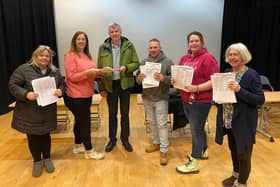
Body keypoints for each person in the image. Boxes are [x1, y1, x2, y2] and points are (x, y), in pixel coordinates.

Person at [9, 45, 65, 177]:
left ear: (50, 58)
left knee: (46, 135)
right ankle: (37, 161)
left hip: (48, 111)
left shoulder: (54, 71)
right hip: (30, 112)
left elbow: (63, 84)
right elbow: (12, 85)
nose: (44, 58)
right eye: (42, 55)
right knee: (33, 137)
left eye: (47, 56)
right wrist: (26, 94)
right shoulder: (24, 69)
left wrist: (60, 91)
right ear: (36, 56)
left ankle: (47, 158)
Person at [215, 43, 265, 187]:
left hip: (244, 122)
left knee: (243, 153)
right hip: (229, 120)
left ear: (242, 56)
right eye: (230, 54)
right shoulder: (226, 72)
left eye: (235, 54)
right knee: (234, 150)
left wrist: (239, 89)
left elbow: (259, 99)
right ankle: (236, 175)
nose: (232, 57)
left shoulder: (251, 74)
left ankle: (242, 182)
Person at [174, 31, 219, 174]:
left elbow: (214, 80)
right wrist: (175, 80)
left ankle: (194, 162)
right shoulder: (184, 58)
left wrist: (197, 88)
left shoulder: (208, 58)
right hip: (186, 99)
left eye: (196, 41)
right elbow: (179, 76)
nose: (193, 43)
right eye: (191, 41)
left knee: (196, 130)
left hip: (201, 100)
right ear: (188, 43)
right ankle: (203, 150)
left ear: (202, 42)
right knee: (197, 128)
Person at [97, 22, 139, 152]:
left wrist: (126, 67)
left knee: (125, 114)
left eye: (116, 31)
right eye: (112, 32)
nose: (114, 34)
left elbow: (136, 63)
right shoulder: (102, 48)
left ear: (120, 32)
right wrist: (101, 88)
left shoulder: (129, 46)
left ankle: (125, 139)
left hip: (125, 84)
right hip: (110, 85)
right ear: (109, 34)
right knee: (112, 114)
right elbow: (99, 69)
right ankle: (112, 139)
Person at [64, 31, 104, 160]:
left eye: (83, 39)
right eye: (78, 39)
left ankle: (77, 146)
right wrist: (88, 73)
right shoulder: (70, 56)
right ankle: (89, 150)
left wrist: (99, 73)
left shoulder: (88, 56)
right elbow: (72, 77)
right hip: (75, 96)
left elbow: (90, 74)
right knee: (85, 123)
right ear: (74, 41)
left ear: (86, 42)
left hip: (87, 93)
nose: (81, 41)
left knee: (79, 121)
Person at [136, 38, 173, 165]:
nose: (153, 50)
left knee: (162, 124)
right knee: (152, 123)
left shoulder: (168, 62)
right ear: (148, 49)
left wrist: (164, 78)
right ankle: (156, 143)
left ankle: (164, 150)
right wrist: (139, 78)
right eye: (151, 47)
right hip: (147, 97)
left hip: (161, 98)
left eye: (155, 47)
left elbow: (173, 80)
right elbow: (137, 80)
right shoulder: (144, 62)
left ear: (160, 48)